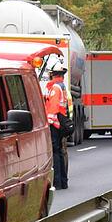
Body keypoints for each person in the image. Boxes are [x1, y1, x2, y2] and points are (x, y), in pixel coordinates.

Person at [44, 61, 69, 190]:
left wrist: (49, 123)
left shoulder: (55, 88)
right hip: (61, 124)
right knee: (59, 152)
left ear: (53, 74)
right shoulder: (62, 86)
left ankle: (57, 182)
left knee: (55, 152)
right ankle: (63, 181)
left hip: (55, 124)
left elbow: (53, 108)